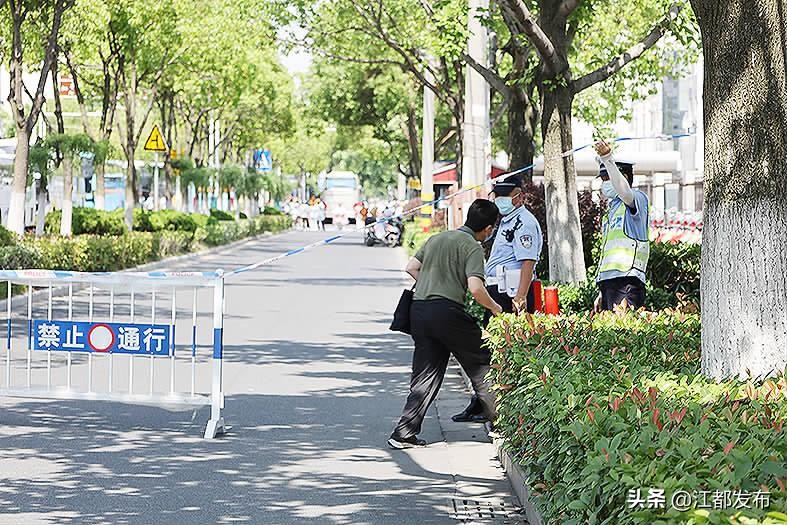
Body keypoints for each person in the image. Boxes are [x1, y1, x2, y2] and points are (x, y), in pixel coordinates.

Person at [388, 199, 503, 449]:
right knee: (482, 361)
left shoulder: (437, 239)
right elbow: (475, 288)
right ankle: (500, 425)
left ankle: (404, 433)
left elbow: (412, 267)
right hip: (448, 313)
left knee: (425, 374)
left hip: (419, 311)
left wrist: (433, 282)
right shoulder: (472, 246)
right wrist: (495, 308)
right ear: (488, 228)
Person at [452, 175, 543, 424]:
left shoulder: (524, 222)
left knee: (505, 350)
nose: (501, 200)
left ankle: (496, 406)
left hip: (510, 294)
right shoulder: (507, 221)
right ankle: (485, 403)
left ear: (519, 196)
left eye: (506, 195)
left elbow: (527, 262)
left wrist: (521, 296)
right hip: (497, 290)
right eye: (498, 195)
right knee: (492, 348)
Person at [593, 139, 650, 311]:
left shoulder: (636, 198)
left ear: (623, 177)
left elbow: (624, 191)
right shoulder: (612, 210)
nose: (604, 184)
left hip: (628, 281)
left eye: (607, 178)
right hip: (610, 284)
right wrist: (602, 290)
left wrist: (607, 158)